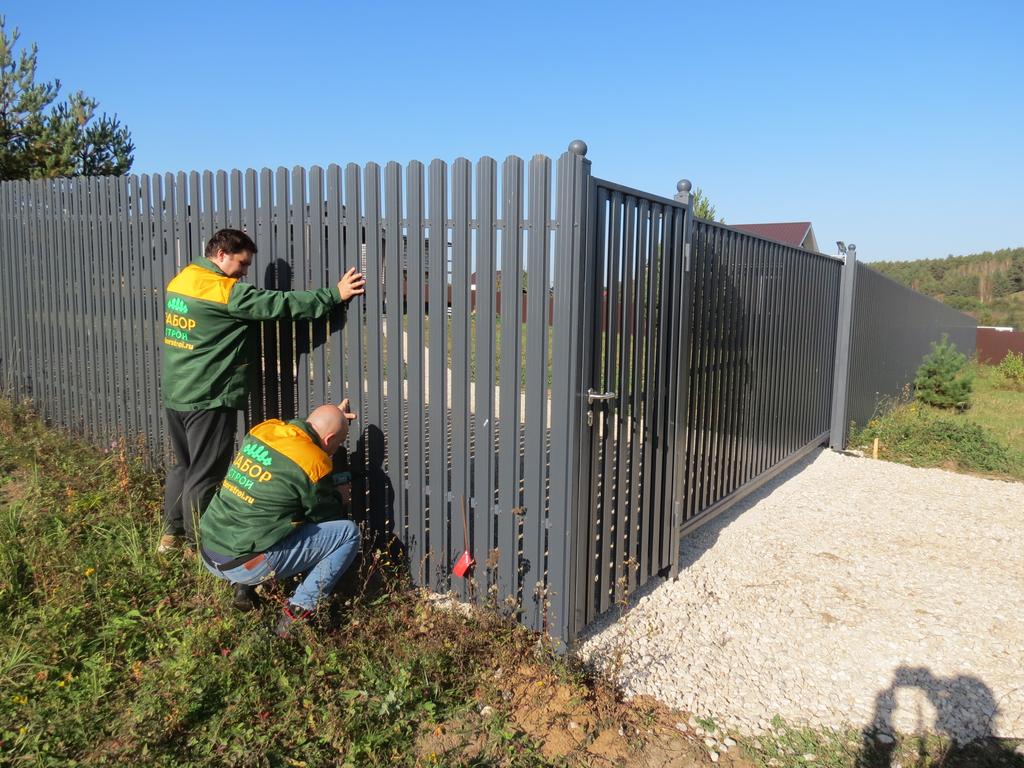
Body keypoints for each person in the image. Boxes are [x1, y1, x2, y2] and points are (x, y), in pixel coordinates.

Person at [159, 228, 365, 554]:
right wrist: (333, 295)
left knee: (183, 467)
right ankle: (202, 549)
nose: (243, 273)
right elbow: (279, 304)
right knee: (204, 476)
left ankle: (171, 536)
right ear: (222, 253)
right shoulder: (224, 292)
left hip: (177, 391)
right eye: (241, 264)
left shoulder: (182, 280)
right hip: (209, 396)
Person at [199, 400, 362, 636]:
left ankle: (243, 588)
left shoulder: (264, 430)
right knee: (347, 533)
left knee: (263, 508)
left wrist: (333, 416)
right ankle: (298, 611)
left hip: (210, 550)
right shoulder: (314, 462)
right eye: (338, 443)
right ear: (328, 440)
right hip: (245, 564)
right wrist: (339, 497)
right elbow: (324, 517)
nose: (335, 450)